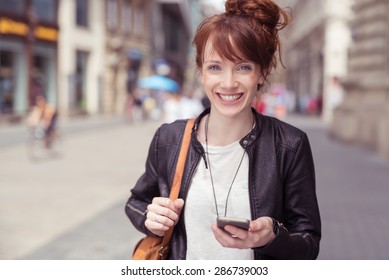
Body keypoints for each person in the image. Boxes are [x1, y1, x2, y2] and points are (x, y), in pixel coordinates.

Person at [125, 0, 321, 260]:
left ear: (262, 72)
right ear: (202, 73)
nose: (228, 83)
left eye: (243, 67)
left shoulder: (289, 144)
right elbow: (137, 202)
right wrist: (150, 218)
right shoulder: (169, 138)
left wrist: (271, 237)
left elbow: (308, 243)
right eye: (215, 67)